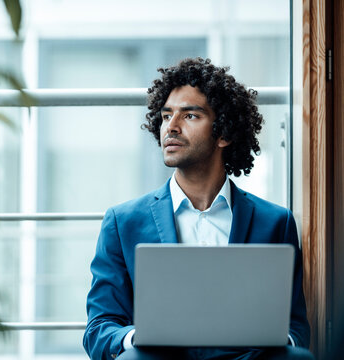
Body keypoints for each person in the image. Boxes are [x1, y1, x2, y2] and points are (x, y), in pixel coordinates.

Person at [82, 58, 313, 360]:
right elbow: (99, 329)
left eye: (190, 115)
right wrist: (141, 337)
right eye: (166, 116)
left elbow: (296, 329)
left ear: (224, 133)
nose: (171, 127)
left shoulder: (275, 222)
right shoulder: (122, 222)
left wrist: (271, 337)